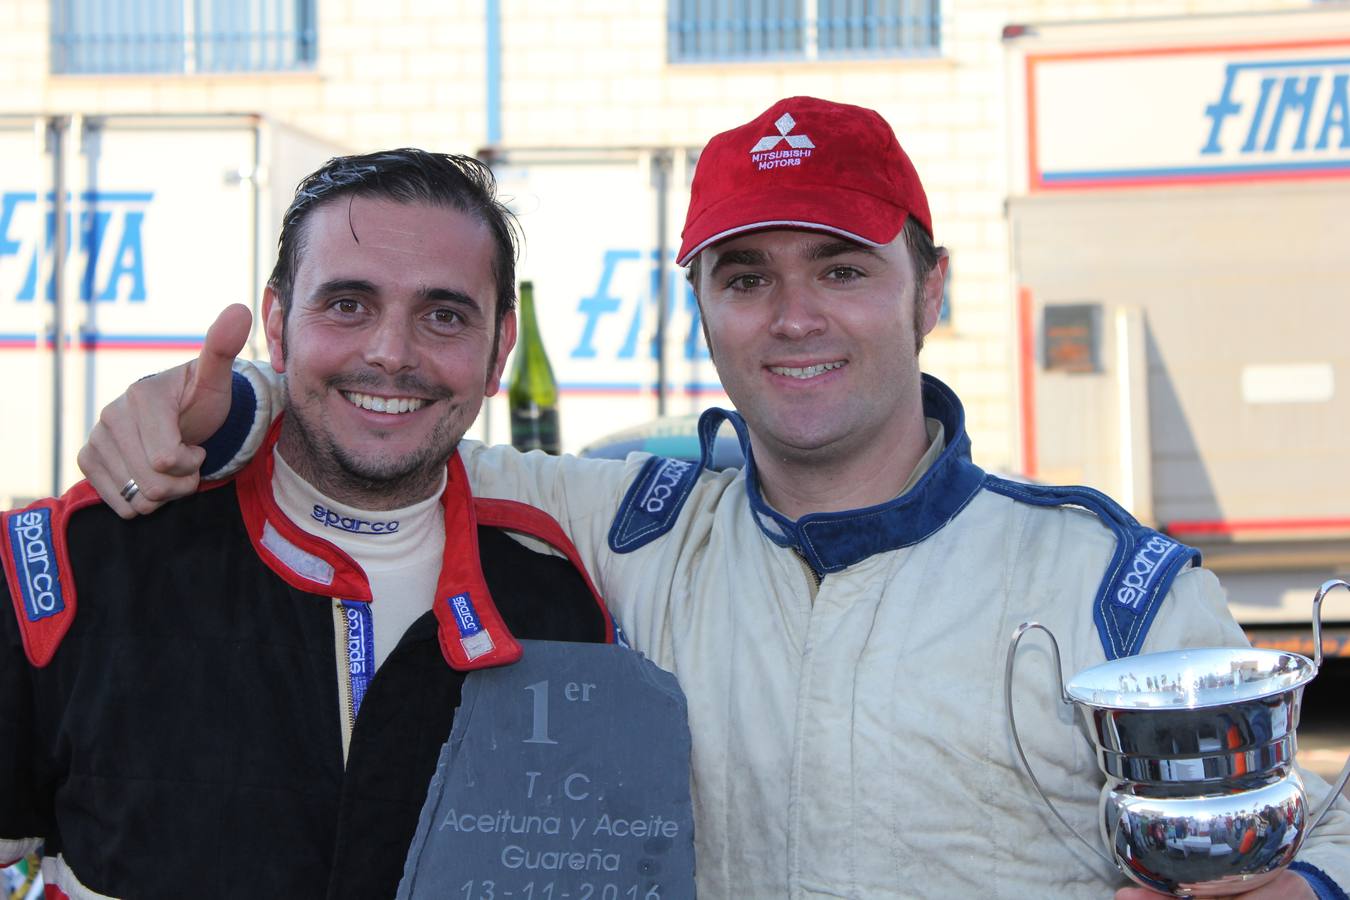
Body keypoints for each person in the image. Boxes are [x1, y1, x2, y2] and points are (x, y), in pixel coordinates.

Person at [72, 98, 1350, 898]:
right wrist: (226, 406)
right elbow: (397, 420)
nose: (793, 316)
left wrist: (1306, 885)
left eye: (840, 268)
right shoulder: (633, 531)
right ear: (702, 307)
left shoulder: (1108, 583)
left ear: (931, 289)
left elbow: (1325, 817)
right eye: (744, 276)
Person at [0, 150, 616, 898]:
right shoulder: (73, 565)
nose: (391, 353)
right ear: (277, 326)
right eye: (348, 304)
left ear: (500, 352)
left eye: (444, 315)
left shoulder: (563, 604)